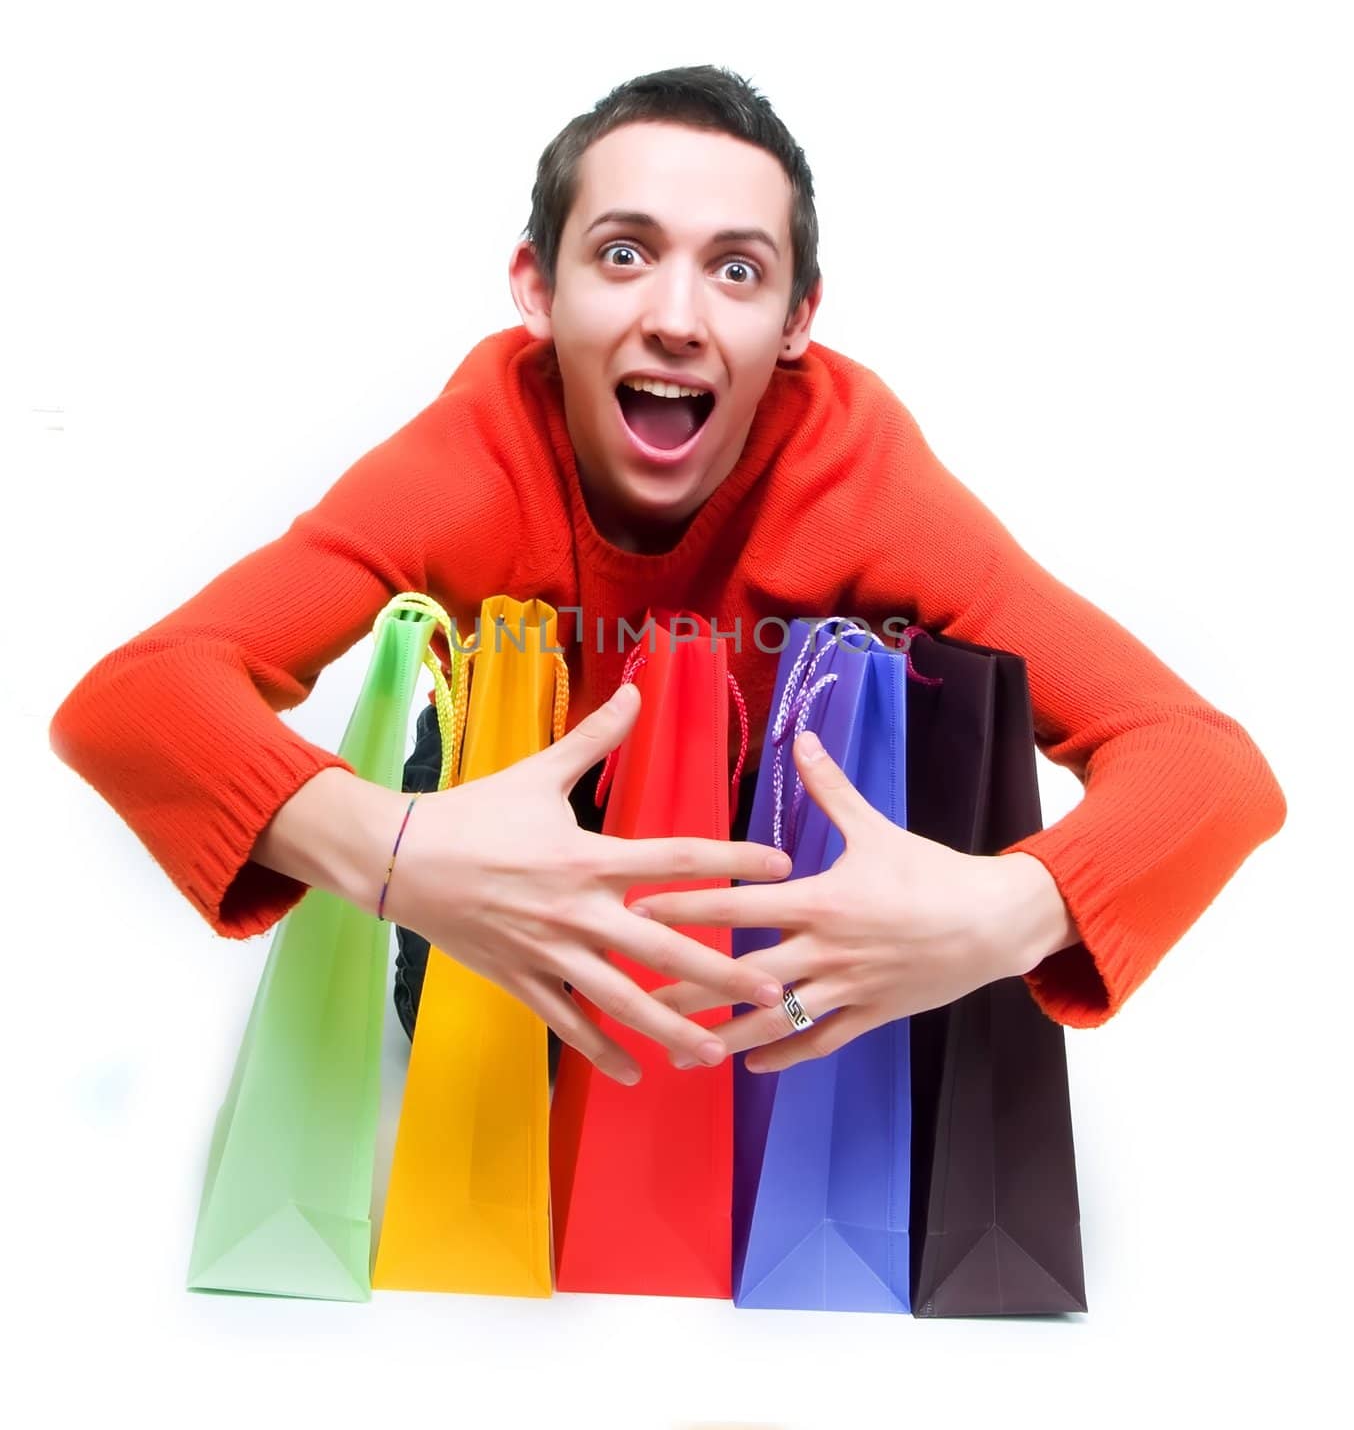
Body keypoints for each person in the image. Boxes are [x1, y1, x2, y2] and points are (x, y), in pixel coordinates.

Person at [48, 65, 1287, 1090]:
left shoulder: (857, 471)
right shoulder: (473, 456)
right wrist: (396, 853)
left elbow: (1199, 762)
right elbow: (136, 698)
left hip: (773, 906)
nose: (678, 318)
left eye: (736, 270)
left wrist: (998, 914)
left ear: (798, 323)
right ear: (538, 288)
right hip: (500, 877)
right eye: (626, 254)